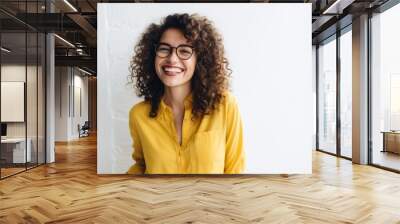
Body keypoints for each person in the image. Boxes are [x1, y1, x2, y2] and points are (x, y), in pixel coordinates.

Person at [127, 13, 245, 174]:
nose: (172, 59)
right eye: (164, 49)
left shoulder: (225, 105)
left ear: (200, 59)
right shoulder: (138, 115)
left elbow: (235, 171)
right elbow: (141, 167)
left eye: (184, 51)